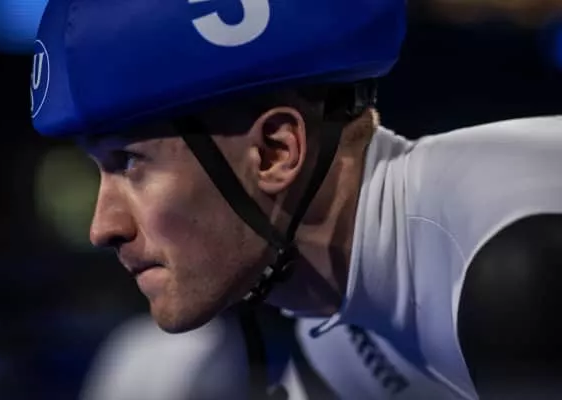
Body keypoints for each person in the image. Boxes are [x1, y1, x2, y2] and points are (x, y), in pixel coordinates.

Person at [29, 0, 562, 398]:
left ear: (274, 153)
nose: (102, 227)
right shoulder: (339, 327)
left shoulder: (516, 260)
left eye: (128, 163)